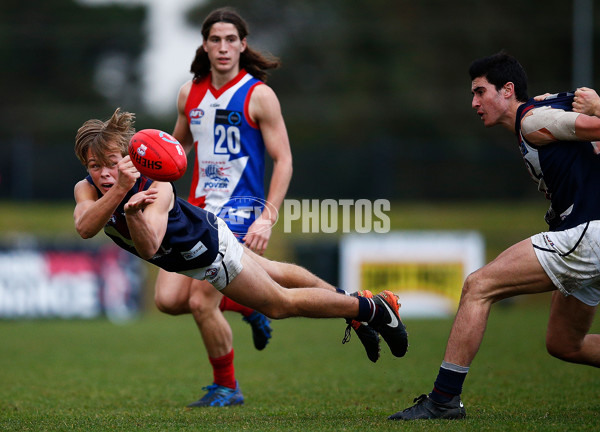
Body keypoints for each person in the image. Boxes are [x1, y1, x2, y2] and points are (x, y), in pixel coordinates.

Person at [72, 108, 409, 406]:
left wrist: (129, 207)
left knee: (280, 304)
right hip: (196, 254)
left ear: (128, 160)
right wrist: (119, 193)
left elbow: (149, 247)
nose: (103, 174)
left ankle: (372, 309)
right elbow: (85, 227)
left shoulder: (157, 187)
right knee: (272, 273)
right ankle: (354, 303)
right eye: (94, 165)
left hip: (211, 253)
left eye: (112, 164)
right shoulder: (87, 189)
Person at [153, 7, 379, 408]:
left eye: (231, 40)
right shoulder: (190, 94)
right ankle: (251, 304)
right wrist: (152, 174)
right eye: (215, 40)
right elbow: (177, 151)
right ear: (204, 45)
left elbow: (285, 160)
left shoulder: (259, 94)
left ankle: (228, 387)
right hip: (197, 211)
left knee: (198, 301)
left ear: (243, 45)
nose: (223, 47)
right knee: (168, 300)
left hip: (240, 212)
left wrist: (267, 216)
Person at [389, 51, 600, 421]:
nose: (474, 102)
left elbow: (586, 123)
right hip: (587, 234)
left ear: (506, 90)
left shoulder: (534, 120)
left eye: (479, 92)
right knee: (564, 344)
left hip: (588, 234)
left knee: (478, 285)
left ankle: (443, 400)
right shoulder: (539, 112)